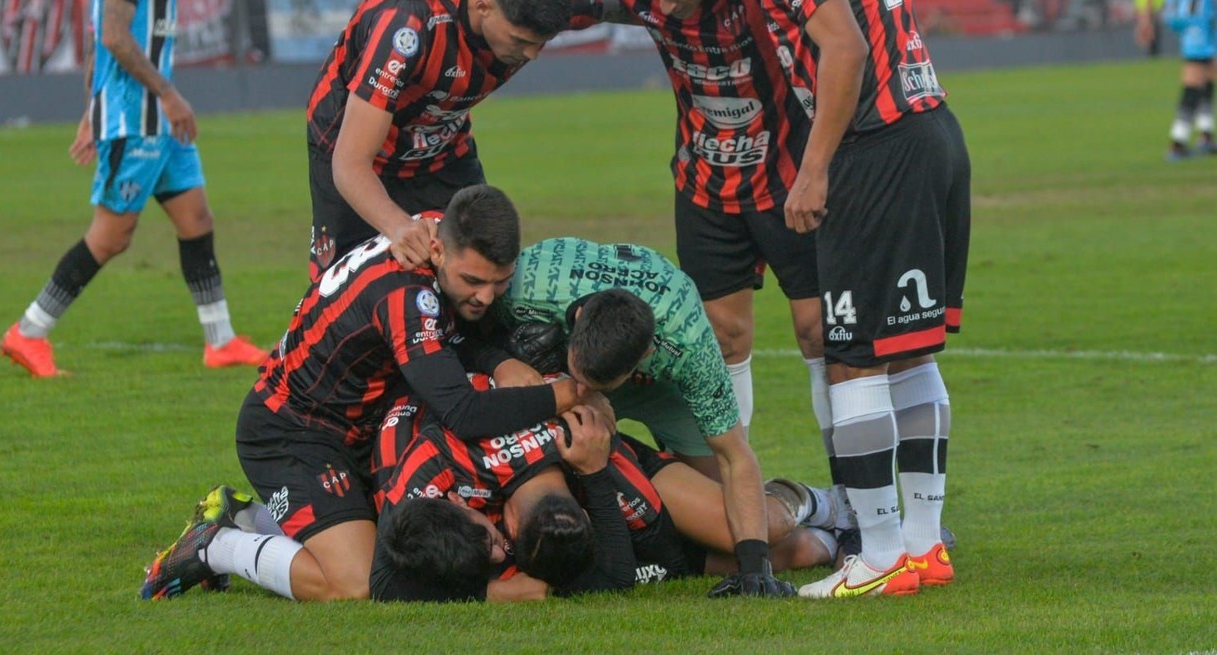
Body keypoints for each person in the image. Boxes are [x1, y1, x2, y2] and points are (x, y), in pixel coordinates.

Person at [138, 185, 585, 602]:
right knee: (356, 580)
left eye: (499, 282)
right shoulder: (406, 295)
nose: (486, 297)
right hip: (290, 432)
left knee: (391, 535)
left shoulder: (437, 228)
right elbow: (462, 411)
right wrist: (571, 393)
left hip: (354, 426)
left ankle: (244, 516)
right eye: (473, 281)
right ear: (437, 250)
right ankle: (218, 546)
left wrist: (496, 361)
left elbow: (448, 341)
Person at [583, 0, 866, 466]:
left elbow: (845, 44)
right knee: (722, 337)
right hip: (705, 186)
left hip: (789, 178)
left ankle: (851, 494)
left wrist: (817, 170)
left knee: (821, 333)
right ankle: (730, 501)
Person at [757, 0, 971, 598]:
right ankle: (923, 544)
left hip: (878, 149)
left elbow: (845, 49)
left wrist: (815, 167)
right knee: (906, 352)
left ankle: (879, 555)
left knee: (851, 354)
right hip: (932, 130)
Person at [492, 237, 797, 598]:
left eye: (594, 383)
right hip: (555, 378)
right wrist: (505, 361)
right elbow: (463, 329)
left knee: (732, 524)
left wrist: (753, 569)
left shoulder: (688, 344)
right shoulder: (528, 283)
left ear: (645, 355)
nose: (583, 390)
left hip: (660, 390)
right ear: (575, 322)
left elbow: (734, 455)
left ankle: (808, 500)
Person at [371, 372, 833, 601]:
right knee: (806, 552)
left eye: (493, 542)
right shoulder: (440, 462)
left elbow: (643, 565)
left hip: (633, 472)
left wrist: (595, 470)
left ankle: (818, 500)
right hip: (604, 504)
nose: (497, 554)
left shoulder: (606, 469)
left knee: (769, 531)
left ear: (505, 519)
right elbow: (383, 577)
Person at [0, 0, 269, 377]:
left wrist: (92, 110)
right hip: (134, 121)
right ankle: (29, 330)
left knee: (196, 219)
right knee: (111, 237)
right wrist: (167, 95)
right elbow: (112, 37)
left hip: (159, 125)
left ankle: (221, 341)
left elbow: (97, 43)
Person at [305, 0, 594, 279]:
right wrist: (399, 227)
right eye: (519, 41)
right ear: (483, 5)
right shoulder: (407, 23)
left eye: (542, 42)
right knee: (346, 294)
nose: (531, 54)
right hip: (352, 149)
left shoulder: (551, 6)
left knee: (483, 269)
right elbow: (350, 162)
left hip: (443, 149)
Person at [1160, 0, 1216, 159]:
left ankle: (1206, 136)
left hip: (1204, 29)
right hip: (1198, 29)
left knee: (1206, 82)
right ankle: (1177, 144)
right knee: (1193, 87)